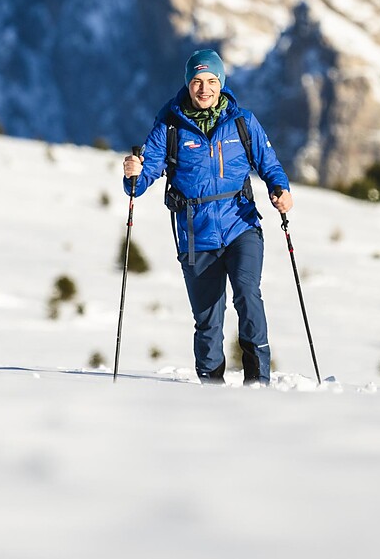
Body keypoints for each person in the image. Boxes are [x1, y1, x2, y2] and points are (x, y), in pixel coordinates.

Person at [121, 49, 294, 385]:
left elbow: (269, 164)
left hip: (240, 224)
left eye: (211, 81)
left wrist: (280, 189)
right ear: (188, 85)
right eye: (197, 81)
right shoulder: (169, 127)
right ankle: (211, 388)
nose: (204, 88)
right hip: (195, 233)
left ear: (221, 83)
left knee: (247, 293)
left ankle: (258, 379)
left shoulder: (242, 122)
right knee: (208, 319)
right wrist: (133, 175)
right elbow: (141, 181)